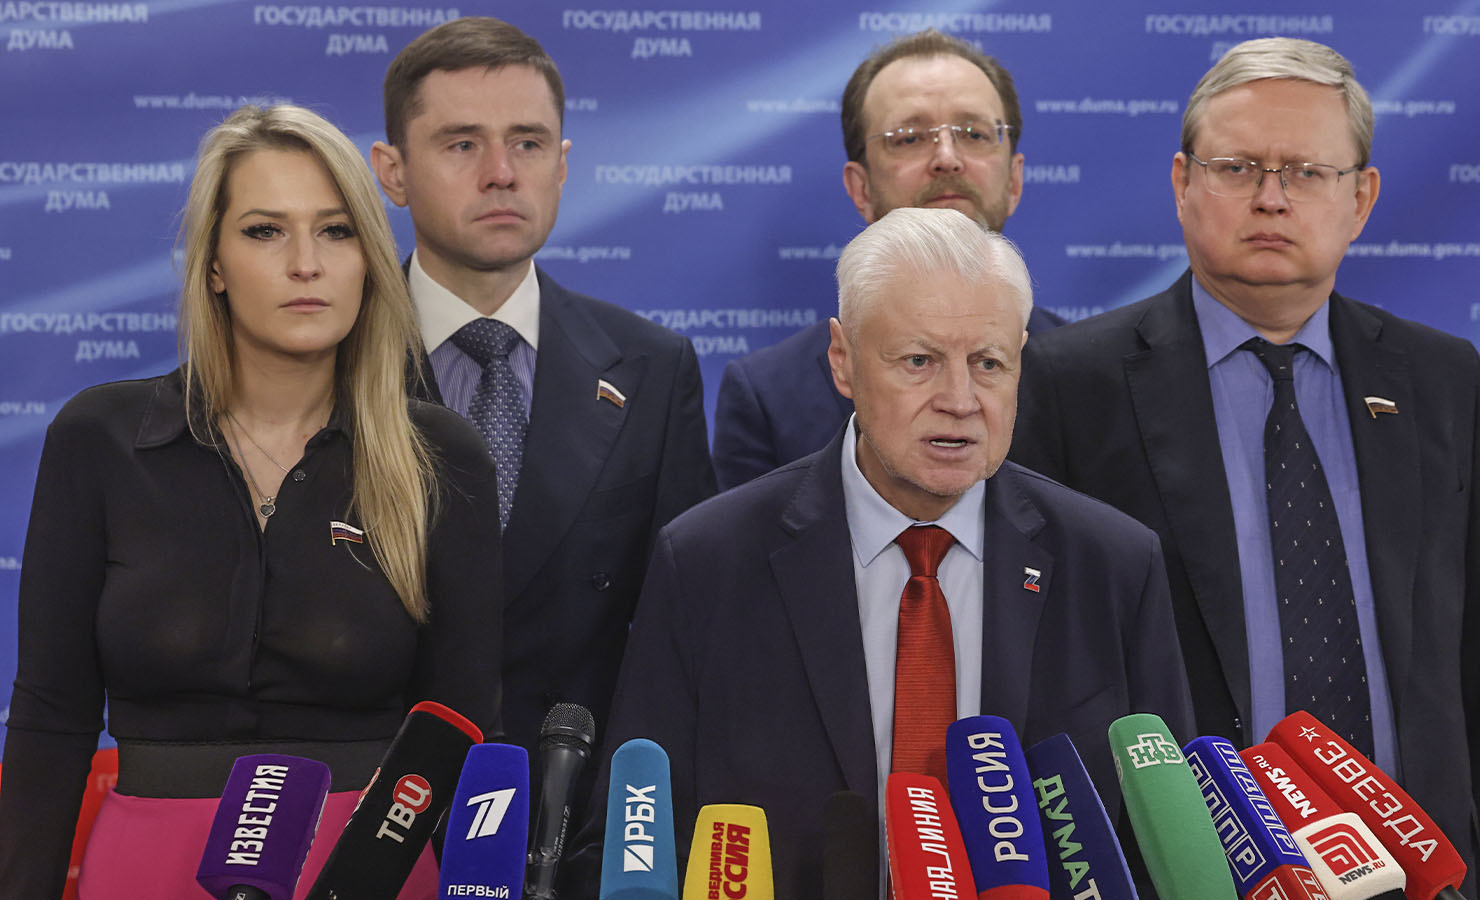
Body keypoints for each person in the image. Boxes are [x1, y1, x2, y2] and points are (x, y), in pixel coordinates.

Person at [1010, 38, 1480, 897]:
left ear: (1360, 198)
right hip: (1187, 871)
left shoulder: (1440, 379)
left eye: (1307, 172)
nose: (1270, 197)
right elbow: (1040, 673)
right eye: (1237, 167)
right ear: (1182, 183)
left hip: (1420, 867)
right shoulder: (1072, 383)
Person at [583, 207, 1193, 897]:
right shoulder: (706, 563)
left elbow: (1164, 850)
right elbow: (639, 840)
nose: (959, 400)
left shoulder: (1114, 565)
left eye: (988, 363)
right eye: (919, 361)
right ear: (842, 360)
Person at [0, 104, 502, 899]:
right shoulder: (98, 438)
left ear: (370, 261)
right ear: (214, 266)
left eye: (336, 231)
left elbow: (466, 734)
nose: (306, 263)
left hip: (370, 869)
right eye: (266, 231)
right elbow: (51, 716)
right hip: (147, 867)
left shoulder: (438, 454)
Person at [368, 18, 717, 777]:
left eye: (527, 143)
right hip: (367, 804)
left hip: (577, 809)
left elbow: (690, 634)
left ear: (561, 165)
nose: (501, 173)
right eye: (462, 144)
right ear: (392, 173)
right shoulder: (332, 360)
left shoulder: (653, 370)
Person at [711, 29, 1063, 491]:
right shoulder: (768, 396)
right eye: (909, 138)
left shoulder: (1091, 376)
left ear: (1014, 180)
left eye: (974, 134)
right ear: (861, 188)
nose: (947, 158)